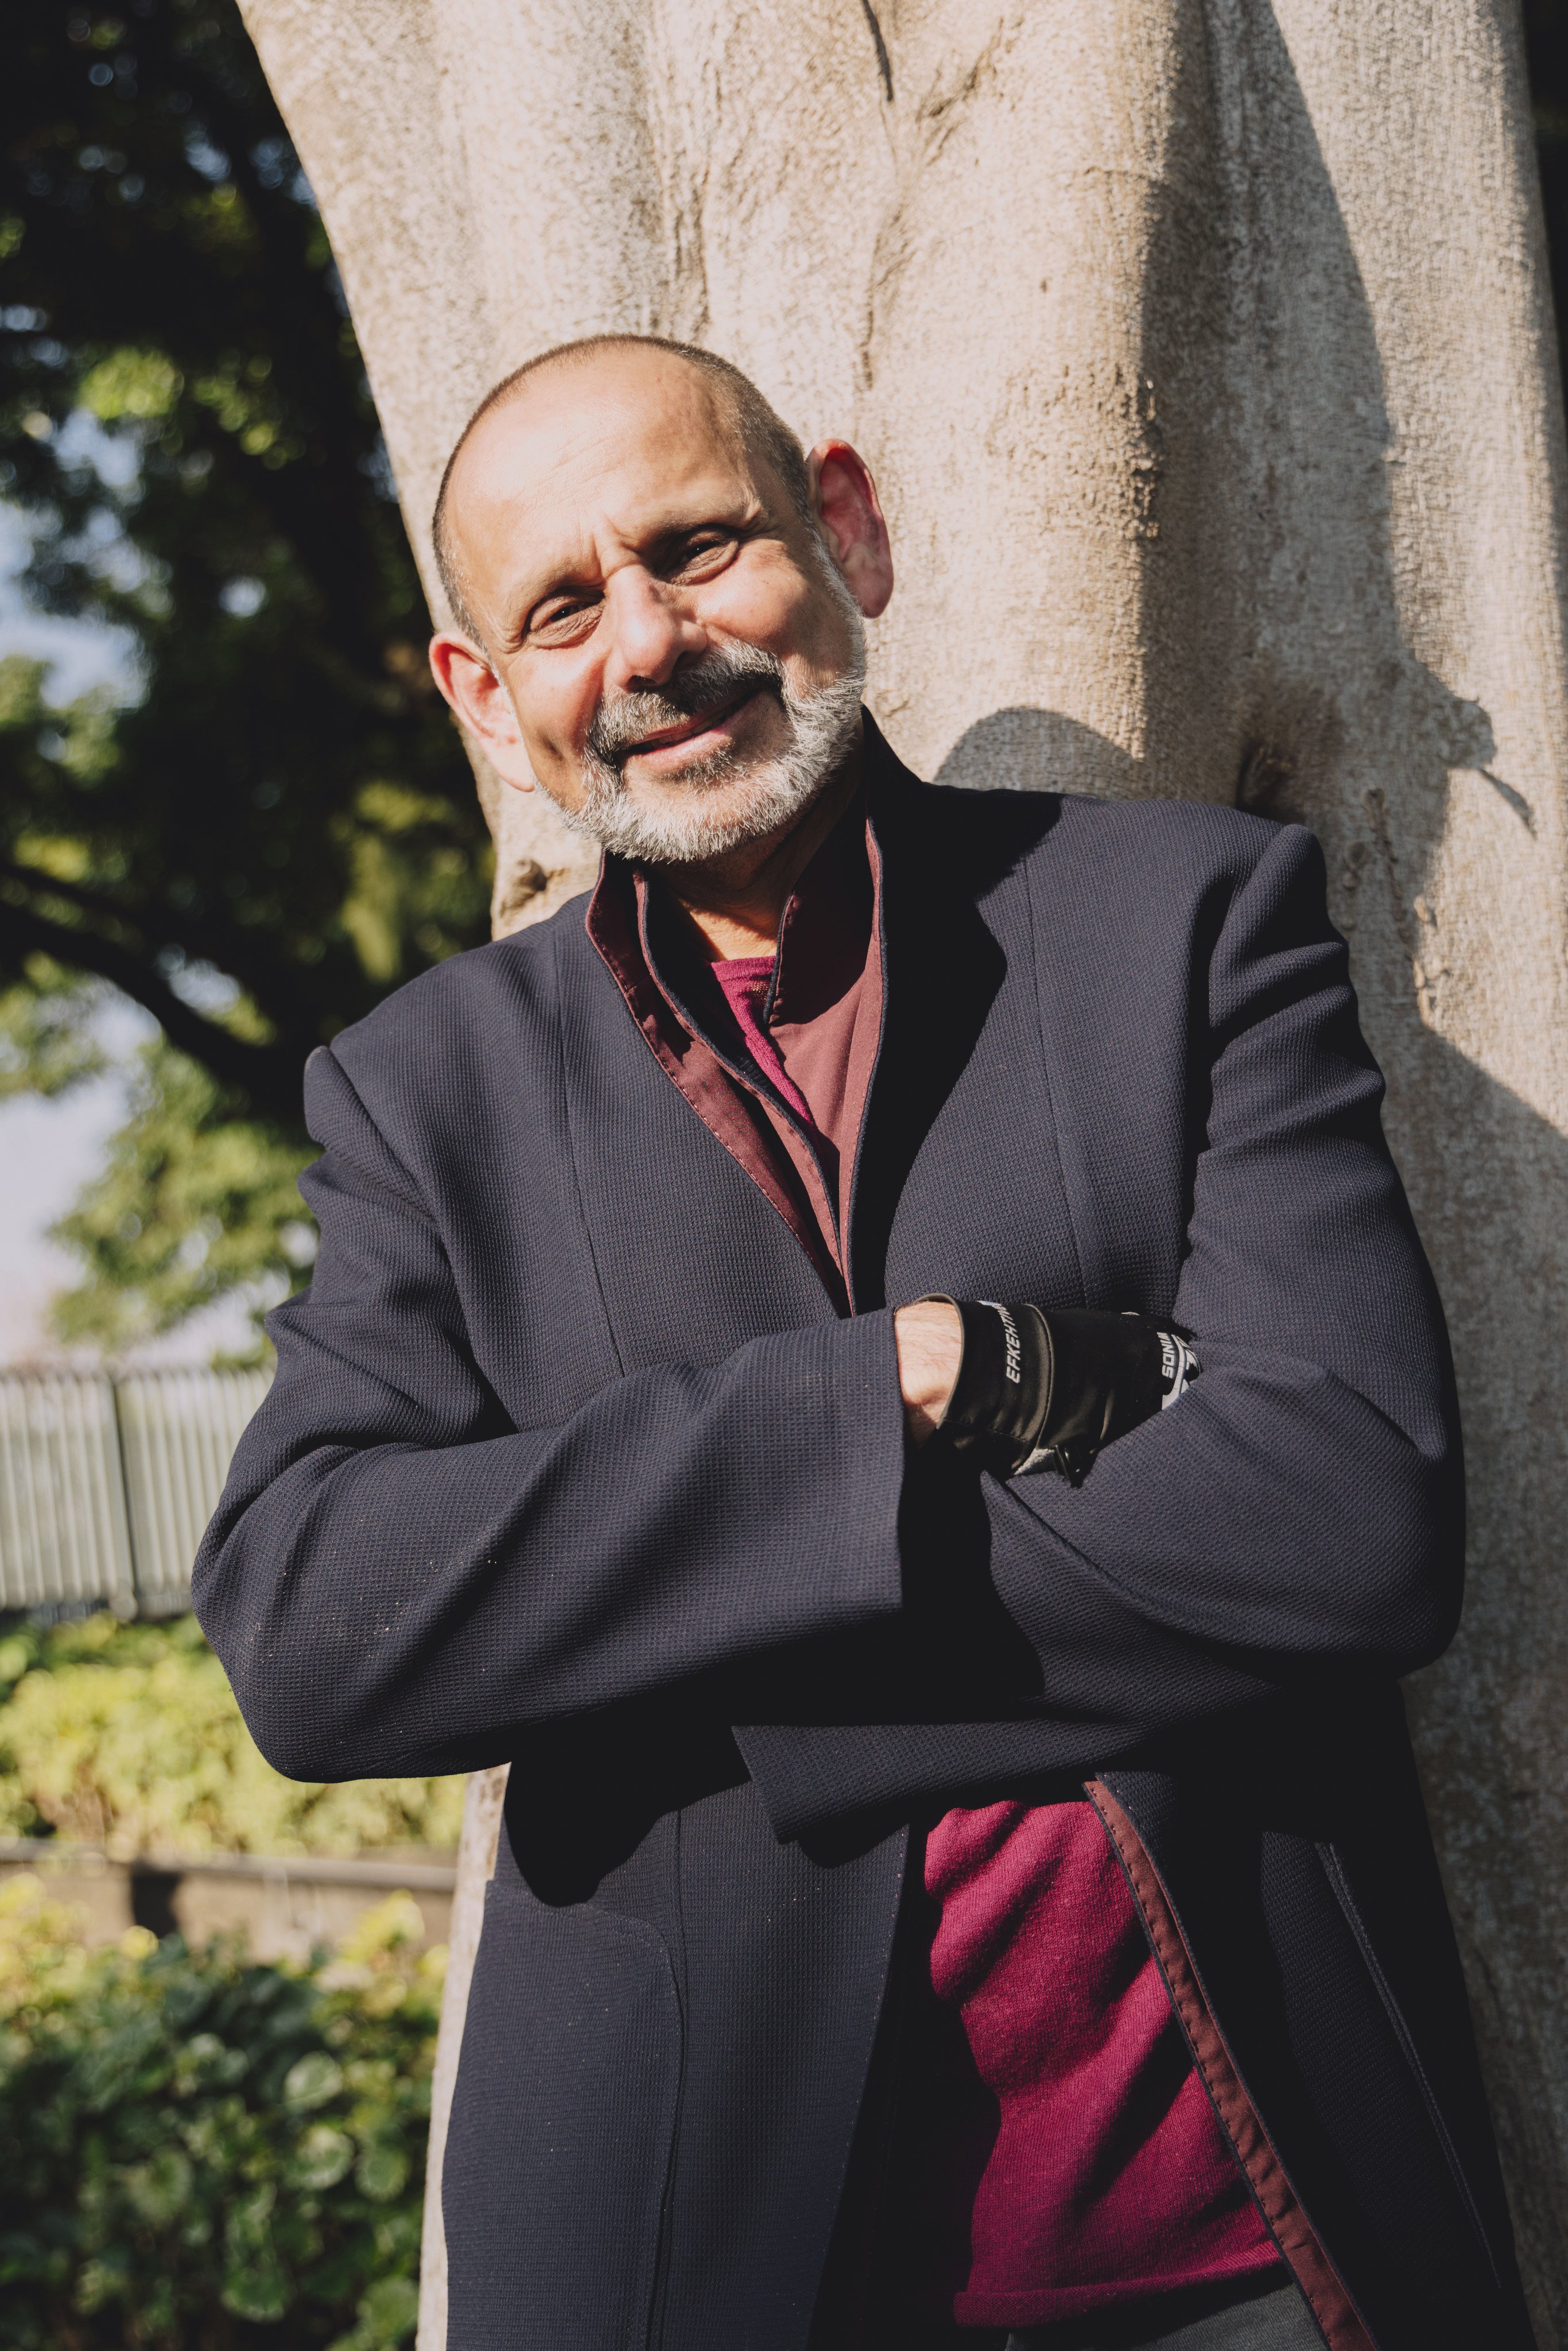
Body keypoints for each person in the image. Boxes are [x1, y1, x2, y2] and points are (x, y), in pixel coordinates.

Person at [194, 335, 1530, 2351]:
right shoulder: (421, 1093)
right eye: (560, 609)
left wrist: (688, 1652)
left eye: (698, 547)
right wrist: (908, 1379)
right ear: (490, 699)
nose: (646, 643)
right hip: (696, 2249)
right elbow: (314, 1633)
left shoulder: (1187, 925)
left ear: (846, 530)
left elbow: (1352, 1517)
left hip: (1259, 2235)